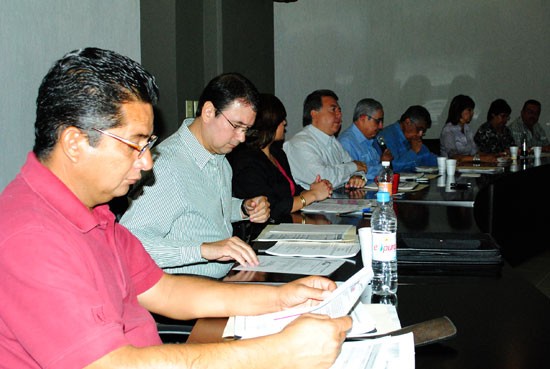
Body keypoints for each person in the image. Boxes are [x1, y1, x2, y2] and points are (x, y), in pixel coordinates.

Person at [0, 47, 351, 369]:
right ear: (75, 143)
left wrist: (281, 298)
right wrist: (278, 352)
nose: (148, 162)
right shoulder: (30, 236)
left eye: (148, 143)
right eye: (136, 144)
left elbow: (165, 290)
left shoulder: (94, 213)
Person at [121, 73, 269, 279]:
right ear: (209, 112)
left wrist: (242, 208)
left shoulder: (219, 159)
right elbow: (131, 243)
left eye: (246, 130)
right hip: (183, 293)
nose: (241, 138)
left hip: (222, 280)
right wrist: (204, 250)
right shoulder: (167, 167)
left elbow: (198, 210)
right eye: (236, 126)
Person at [228, 93, 332, 222]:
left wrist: (315, 188)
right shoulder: (247, 161)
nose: (285, 123)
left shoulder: (277, 153)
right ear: (269, 122)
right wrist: (312, 195)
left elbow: (290, 190)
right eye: (281, 119)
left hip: (288, 223)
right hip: (263, 231)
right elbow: (273, 206)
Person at [283, 89, 366, 189]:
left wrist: (357, 177)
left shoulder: (333, 141)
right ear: (314, 114)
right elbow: (324, 179)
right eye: (333, 110)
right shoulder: (299, 144)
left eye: (339, 111)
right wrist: (353, 167)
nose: (339, 115)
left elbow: (360, 168)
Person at [338, 98, 393, 182]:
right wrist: (383, 165)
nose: (381, 126)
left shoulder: (369, 140)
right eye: (378, 121)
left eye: (382, 121)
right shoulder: (346, 142)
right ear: (362, 118)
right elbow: (354, 173)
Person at [379, 105, 437, 172]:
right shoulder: (387, 136)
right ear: (408, 122)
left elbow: (430, 158)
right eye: (419, 129)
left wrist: (448, 162)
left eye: (423, 131)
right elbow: (393, 167)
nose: (420, 134)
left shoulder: (413, 139)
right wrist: (413, 151)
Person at [440, 95, 496, 163]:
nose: (472, 113)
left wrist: (494, 156)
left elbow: (475, 153)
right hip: (452, 170)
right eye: (469, 110)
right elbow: (454, 157)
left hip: (467, 167)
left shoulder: (467, 128)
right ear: (459, 110)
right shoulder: (448, 130)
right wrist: (481, 159)